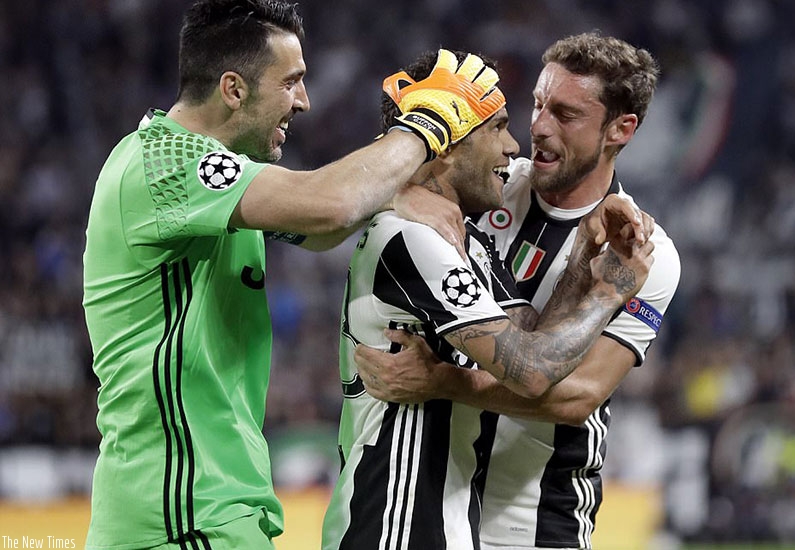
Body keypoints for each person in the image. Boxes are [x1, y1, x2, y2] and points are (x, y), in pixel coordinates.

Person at [81, 0, 507, 548]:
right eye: (291, 82)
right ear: (233, 89)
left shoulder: (213, 188)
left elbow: (325, 226)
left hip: (214, 510)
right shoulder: (163, 164)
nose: (304, 102)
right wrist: (427, 125)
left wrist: (393, 194)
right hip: (177, 517)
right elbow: (328, 206)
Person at [355, 32, 682, 550]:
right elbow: (385, 170)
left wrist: (442, 382)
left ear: (621, 129)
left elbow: (578, 396)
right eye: (537, 104)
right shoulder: (493, 184)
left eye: (567, 114)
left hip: (536, 518)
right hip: (443, 505)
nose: (539, 128)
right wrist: (406, 192)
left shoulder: (643, 252)